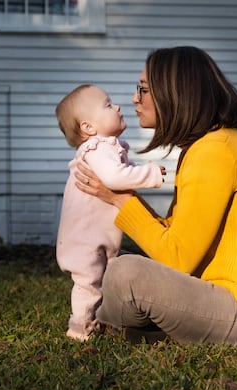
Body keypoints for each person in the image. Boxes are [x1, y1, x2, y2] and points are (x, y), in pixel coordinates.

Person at [74, 46, 237, 345]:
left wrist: (120, 199)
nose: (134, 99)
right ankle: (145, 330)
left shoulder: (217, 151)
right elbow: (176, 236)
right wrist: (124, 195)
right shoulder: (204, 147)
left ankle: (106, 330)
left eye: (143, 89)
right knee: (114, 264)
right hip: (229, 296)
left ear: (175, 93)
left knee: (125, 272)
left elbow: (178, 258)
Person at [55, 84, 166, 342]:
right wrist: (149, 173)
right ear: (88, 128)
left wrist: (140, 168)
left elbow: (120, 169)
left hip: (97, 235)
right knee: (88, 284)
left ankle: (104, 320)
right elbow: (114, 177)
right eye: (107, 105)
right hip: (83, 240)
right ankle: (80, 330)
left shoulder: (106, 148)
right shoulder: (96, 149)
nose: (117, 106)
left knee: (105, 280)